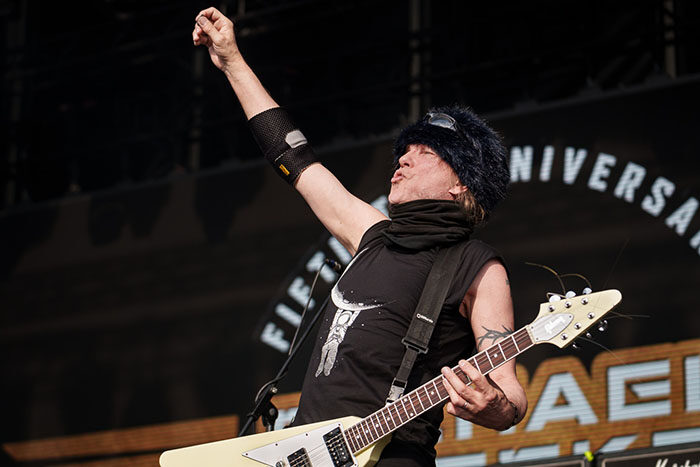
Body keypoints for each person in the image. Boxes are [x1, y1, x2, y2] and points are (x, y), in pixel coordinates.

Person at [192, 7, 527, 466]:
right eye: (404, 149)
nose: (403, 159)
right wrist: (232, 61)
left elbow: (510, 394)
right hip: (306, 453)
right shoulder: (372, 234)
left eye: (425, 152)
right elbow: (291, 153)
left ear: (460, 183)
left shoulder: (476, 266)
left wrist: (495, 407)